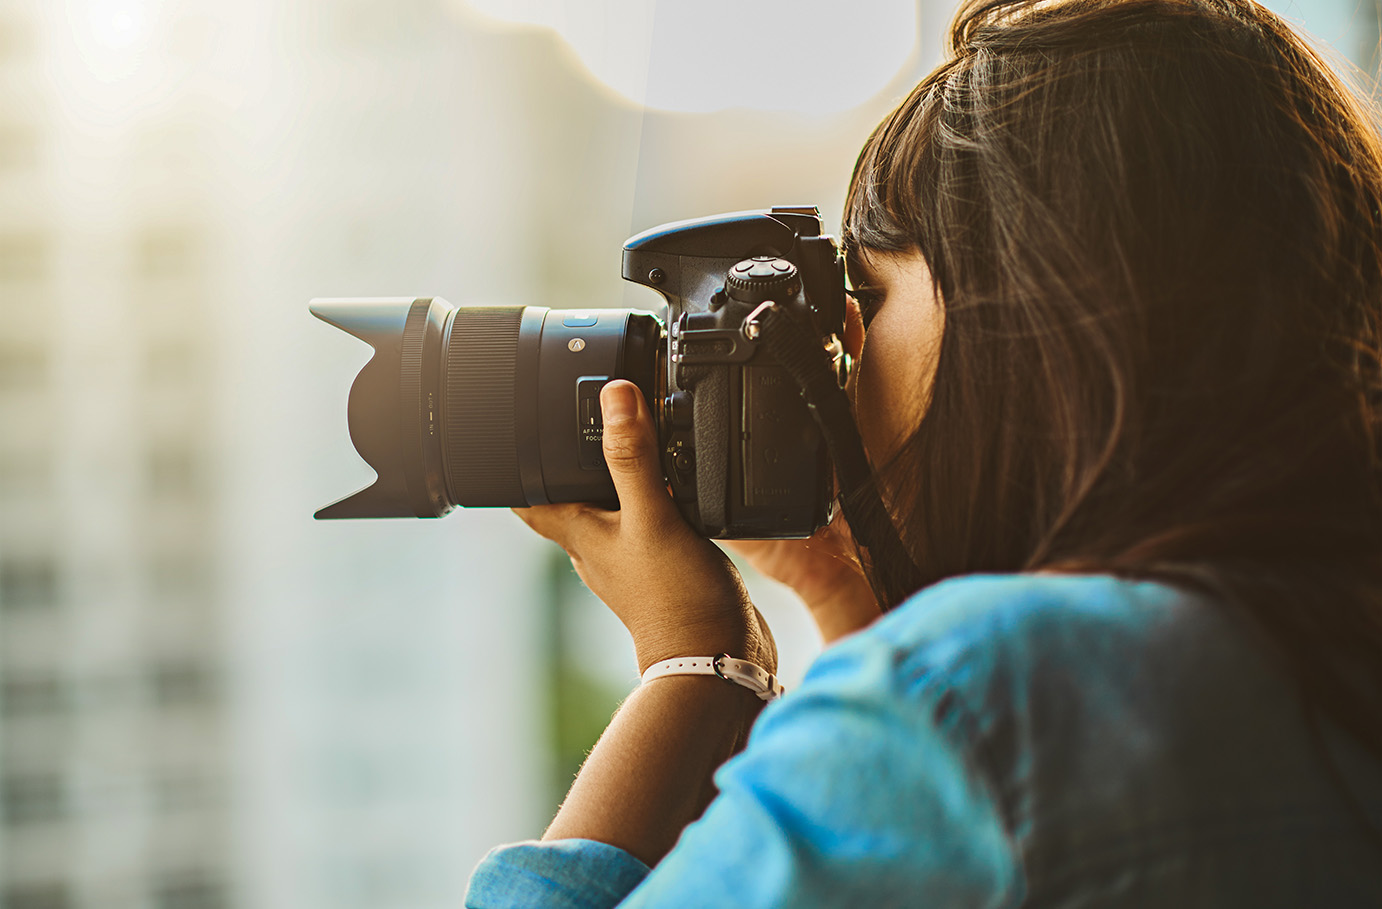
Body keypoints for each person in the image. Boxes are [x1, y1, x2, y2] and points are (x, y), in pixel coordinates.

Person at [466, 0, 1382, 903]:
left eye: (868, 296)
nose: (844, 354)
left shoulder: (983, 699)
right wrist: (848, 592)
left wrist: (695, 664)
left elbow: (964, 765)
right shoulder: (1317, 653)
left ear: (1024, 320)